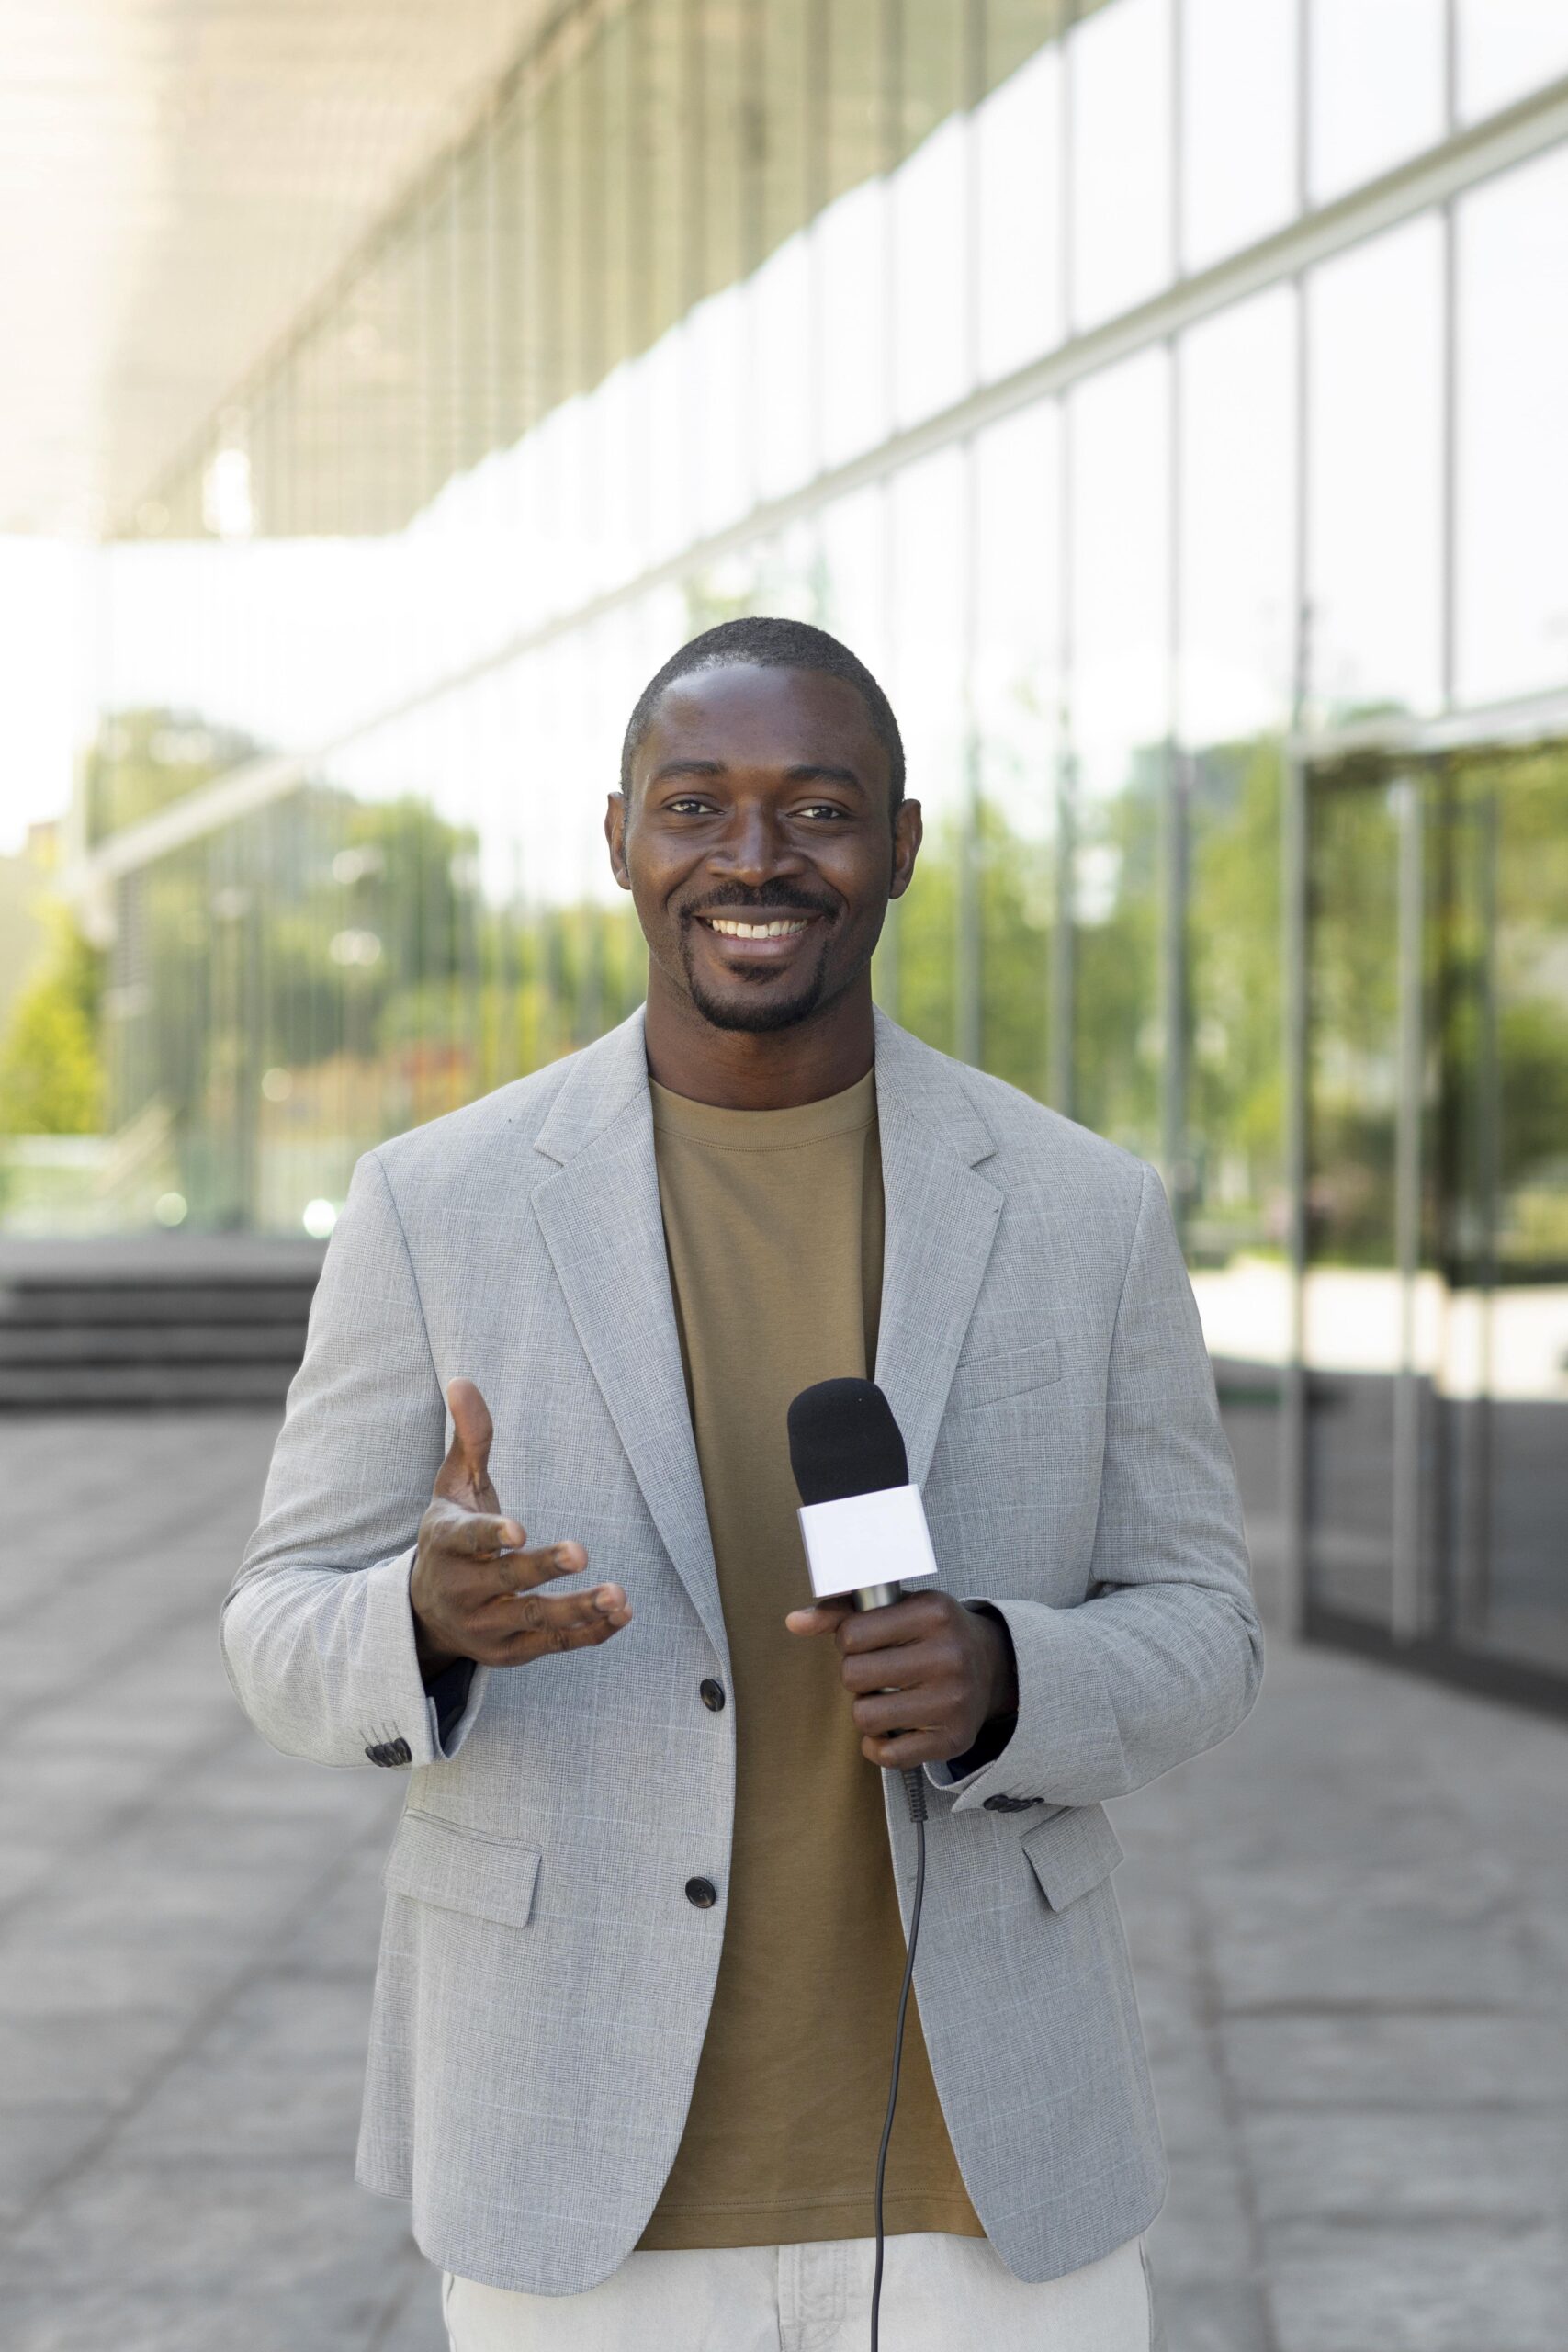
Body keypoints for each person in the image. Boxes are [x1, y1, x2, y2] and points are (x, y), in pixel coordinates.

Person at [223, 616, 1262, 2351]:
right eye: (695, 806)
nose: (755, 858)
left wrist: (1014, 1675)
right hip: (580, 2162)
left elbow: (1207, 1630)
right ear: (620, 837)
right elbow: (274, 1629)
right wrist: (421, 1621)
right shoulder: (436, 1202)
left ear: (902, 846)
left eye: (818, 808)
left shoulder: (1087, 1211)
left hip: (987, 2179)